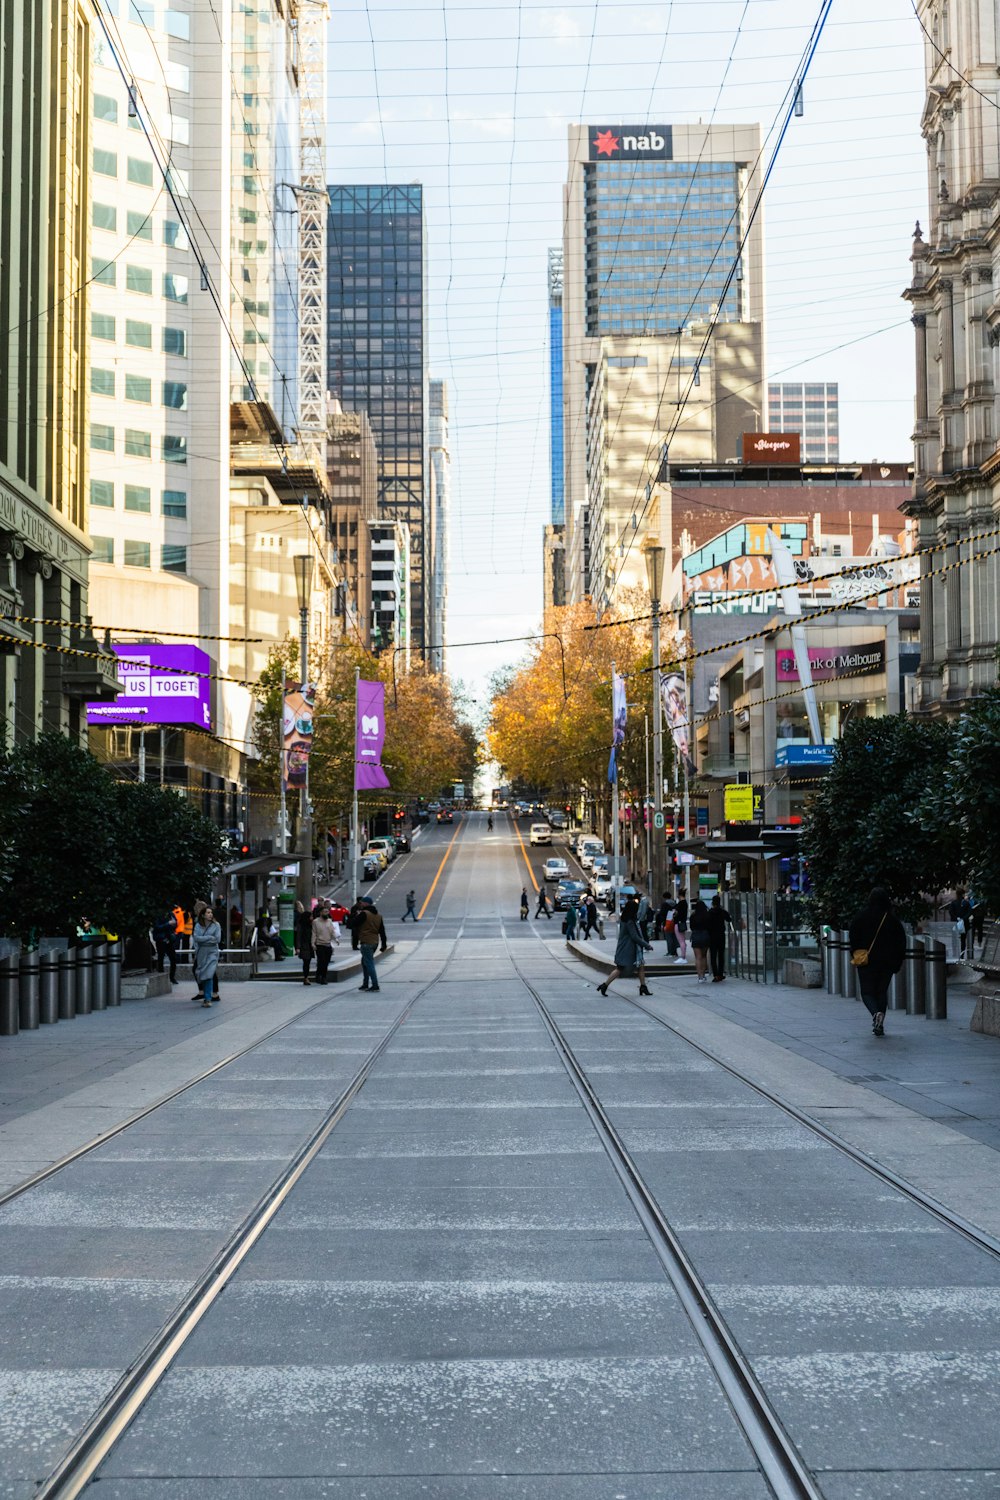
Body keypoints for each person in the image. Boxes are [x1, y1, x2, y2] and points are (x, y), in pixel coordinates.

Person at [848, 886, 906, 1037]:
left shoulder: (861, 917)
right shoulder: (891, 919)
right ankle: (880, 1025)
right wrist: (897, 962)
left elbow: (853, 938)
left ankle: (875, 1014)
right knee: (881, 992)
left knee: (867, 992)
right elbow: (901, 942)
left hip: (866, 961)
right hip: (887, 963)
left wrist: (855, 954)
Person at [597, 897, 652, 997]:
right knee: (620, 969)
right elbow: (634, 936)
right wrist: (647, 945)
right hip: (628, 950)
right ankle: (604, 985)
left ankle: (643, 986)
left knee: (640, 966)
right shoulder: (630, 922)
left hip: (628, 948)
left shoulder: (625, 919)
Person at [354, 898, 388, 991]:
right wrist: (384, 944)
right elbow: (382, 931)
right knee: (365, 962)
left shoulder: (364, 914)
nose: (360, 904)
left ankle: (375, 985)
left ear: (365, 903)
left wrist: (355, 916)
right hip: (375, 942)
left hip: (366, 941)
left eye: (361, 903)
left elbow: (352, 924)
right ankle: (365, 983)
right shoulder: (378, 915)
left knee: (369, 963)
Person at [191, 905, 222, 1007]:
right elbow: (196, 938)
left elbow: (217, 939)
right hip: (201, 953)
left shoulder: (216, 925)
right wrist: (209, 938)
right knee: (202, 974)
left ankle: (208, 999)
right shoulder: (198, 926)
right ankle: (205, 995)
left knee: (209, 974)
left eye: (211, 913)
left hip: (212, 952)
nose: (210, 914)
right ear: (203, 915)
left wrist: (203, 939)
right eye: (208, 913)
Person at [706, 896, 733, 982]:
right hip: (721, 935)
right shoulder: (722, 911)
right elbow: (729, 919)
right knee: (721, 955)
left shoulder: (709, 912)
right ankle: (721, 973)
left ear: (712, 902)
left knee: (713, 956)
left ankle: (715, 974)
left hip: (712, 936)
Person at [311, 903, 338, 984]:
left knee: (326, 962)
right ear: (321, 913)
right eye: (325, 912)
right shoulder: (315, 922)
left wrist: (335, 939)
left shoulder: (329, 921)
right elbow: (314, 933)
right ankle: (319, 976)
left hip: (328, 944)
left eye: (327, 912)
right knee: (321, 961)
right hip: (320, 944)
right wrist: (313, 943)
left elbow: (332, 931)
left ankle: (323, 977)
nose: (327, 913)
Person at [152, 909, 178, 983]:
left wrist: (173, 924)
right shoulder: (158, 914)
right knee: (161, 958)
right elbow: (157, 927)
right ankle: (161, 977)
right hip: (161, 939)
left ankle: (172, 977)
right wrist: (168, 924)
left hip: (169, 939)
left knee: (173, 959)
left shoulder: (170, 913)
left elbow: (175, 924)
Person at [689, 898, 711, 982]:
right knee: (704, 956)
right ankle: (704, 974)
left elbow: (691, 927)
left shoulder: (693, 916)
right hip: (705, 935)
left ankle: (700, 977)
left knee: (698, 957)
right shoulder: (707, 915)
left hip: (696, 935)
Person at [948, 888, 973, 959]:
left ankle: (954, 952)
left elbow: (951, 912)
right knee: (963, 939)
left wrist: (956, 918)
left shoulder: (953, 903)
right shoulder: (966, 903)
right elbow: (969, 912)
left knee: (954, 938)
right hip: (964, 923)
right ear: (963, 894)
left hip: (955, 923)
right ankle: (962, 954)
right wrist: (963, 918)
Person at [294, 899, 314, 986]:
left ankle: (306, 977)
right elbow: (298, 936)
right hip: (304, 946)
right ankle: (306, 977)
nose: (312, 918)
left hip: (310, 946)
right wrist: (298, 947)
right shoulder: (302, 926)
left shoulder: (311, 925)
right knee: (306, 962)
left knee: (307, 962)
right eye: (310, 917)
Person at [673, 896, 689, 964]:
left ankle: (683, 957)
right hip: (682, 923)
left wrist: (674, 914)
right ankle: (683, 956)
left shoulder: (680, 904)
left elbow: (676, 913)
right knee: (683, 940)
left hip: (678, 924)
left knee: (681, 941)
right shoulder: (685, 903)